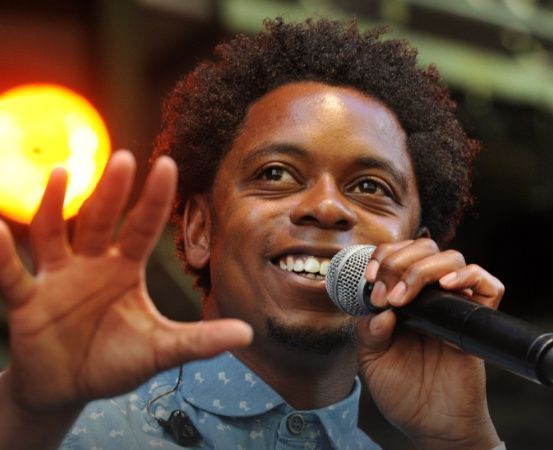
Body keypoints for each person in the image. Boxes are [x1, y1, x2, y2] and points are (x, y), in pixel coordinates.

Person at [0, 18, 506, 449]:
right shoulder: (67, 427)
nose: (327, 207)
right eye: (276, 174)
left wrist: (463, 441)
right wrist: (24, 415)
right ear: (201, 230)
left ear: (417, 250)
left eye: (370, 186)